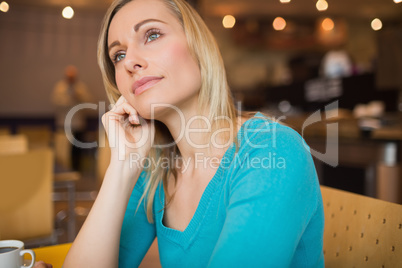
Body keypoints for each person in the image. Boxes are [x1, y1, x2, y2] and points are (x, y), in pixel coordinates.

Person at [63, 0, 325, 267]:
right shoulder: (154, 170)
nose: (129, 61)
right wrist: (122, 166)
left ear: (198, 46)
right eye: (118, 55)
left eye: (152, 35)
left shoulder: (271, 150)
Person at [51, 65, 93, 170]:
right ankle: (64, 169)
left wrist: (78, 97)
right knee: (63, 150)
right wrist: (70, 100)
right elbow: (56, 103)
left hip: (78, 124)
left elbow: (89, 103)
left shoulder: (81, 88)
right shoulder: (60, 87)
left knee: (77, 149)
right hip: (64, 124)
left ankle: (76, 170)